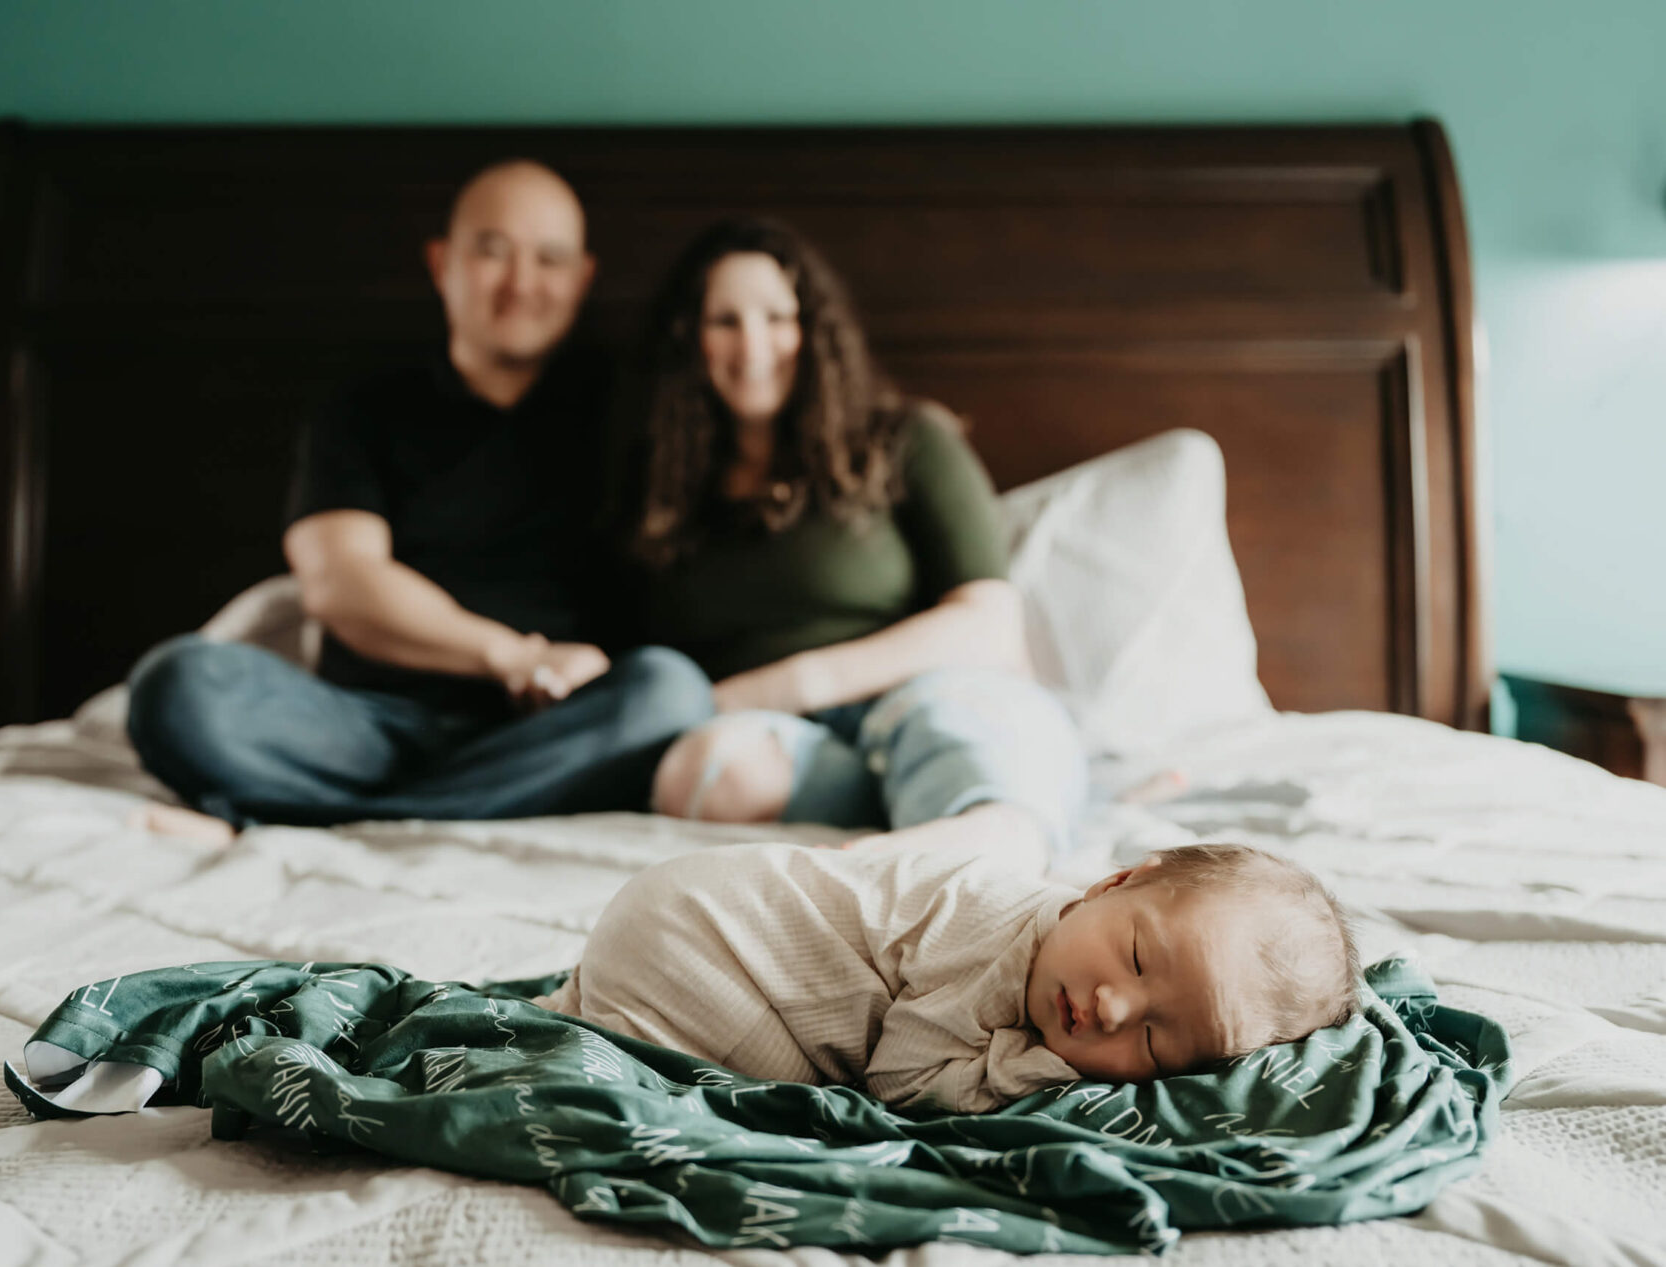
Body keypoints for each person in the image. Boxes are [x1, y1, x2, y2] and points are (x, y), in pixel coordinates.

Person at [125, 161, 713, 836]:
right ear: (443, 264)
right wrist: (512, 655)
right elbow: (339, 583)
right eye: (494, 251)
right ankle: (430, 812)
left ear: (581, 277)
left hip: (550, 733)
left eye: (549, 259)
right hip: (364, 727)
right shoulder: (364, 410)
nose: (521, 283)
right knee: (177, 685)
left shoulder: (639, 415)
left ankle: (309, 823)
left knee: (673, 692)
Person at [622, 217, 1085, 866]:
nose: (751, 343)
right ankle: (917, 829)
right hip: (791, 745)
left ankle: (986, 834)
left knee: (939, 722)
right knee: (699, 772)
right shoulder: (661, 486)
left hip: (921, 690)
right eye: (723, 320)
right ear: (689, 339)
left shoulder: (908, 440)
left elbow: (990, 624)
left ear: (816, 330)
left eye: (777, 317)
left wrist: (793, 681)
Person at [538, 841, 1362, 1112]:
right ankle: (599, 1013)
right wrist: (1041, 1065)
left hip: (665, 918)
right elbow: (902, 1081)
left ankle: (590, 1005)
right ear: (1111, 883)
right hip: (696, 941)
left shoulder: (1070, 946)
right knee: (786, 1101)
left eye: (1155, 1039)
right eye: (1139, 957)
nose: (1113, 1005)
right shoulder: (993, 937)